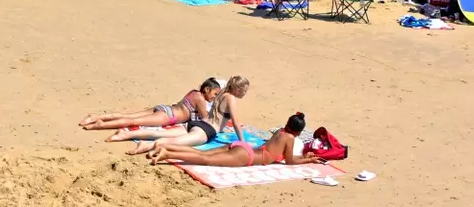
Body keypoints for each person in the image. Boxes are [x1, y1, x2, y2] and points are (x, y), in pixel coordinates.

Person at [115, 77, 253, 156]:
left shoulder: (221, 93)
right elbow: (235, 121)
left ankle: (125, 134)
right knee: (174, 142)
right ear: (236, 89)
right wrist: (243, 142)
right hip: (205, 130)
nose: (245, 94)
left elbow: (218, 114)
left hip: (196, 123)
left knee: (160, 133)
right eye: (244, 90)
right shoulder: (231, 98)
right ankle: (146, 145)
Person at [146, 112, 323, 167]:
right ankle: (164, 155)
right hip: (248, 156)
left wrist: (307, 158)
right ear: (299, 132)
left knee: (202, 153)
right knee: (205, 160)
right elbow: (290, 161)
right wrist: (307, 161)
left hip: (242, 147)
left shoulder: (280, 131)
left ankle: (166, 149)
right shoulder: (290, 138)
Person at [80, 78, 220, 132]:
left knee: (127, 116)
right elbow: (206, 118)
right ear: (207, 90)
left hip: (165, 108)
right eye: (214, 94)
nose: (214, 98)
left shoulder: (194, 92)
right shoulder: (201, 99)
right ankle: (98, 125)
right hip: (168, 116)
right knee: (131, 121)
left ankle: (94, 117)